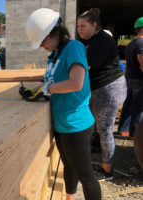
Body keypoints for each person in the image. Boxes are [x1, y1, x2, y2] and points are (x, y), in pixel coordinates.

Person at [25, 8, 101, 200]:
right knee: (68, 165)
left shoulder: (73, 48)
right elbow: (52, 81)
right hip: (61, 124)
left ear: (56, 32)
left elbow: (76, 83)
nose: (42, 45)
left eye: (43, 40)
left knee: (86, 175)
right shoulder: (54, 56)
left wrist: (49, 89)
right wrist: (38, 89)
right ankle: (69, 198)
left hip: (76, 124)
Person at [77, 9, 127, 181]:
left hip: (109, 89)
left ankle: (107, 170)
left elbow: (84, 69)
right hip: (99, 89)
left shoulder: (101, 41)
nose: (79, 29)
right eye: (78, 26)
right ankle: (94, 157)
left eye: (83, 26)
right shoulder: (89, 42)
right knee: (95, 126)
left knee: (104, 129)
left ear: (94, 25)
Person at [118, 17, 143, 139]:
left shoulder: (131, 43)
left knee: (128, 103)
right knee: (139, 107)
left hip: (130, 78)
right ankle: (135, 133)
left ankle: (123, 129)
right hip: (139, 79)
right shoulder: (141, 44)